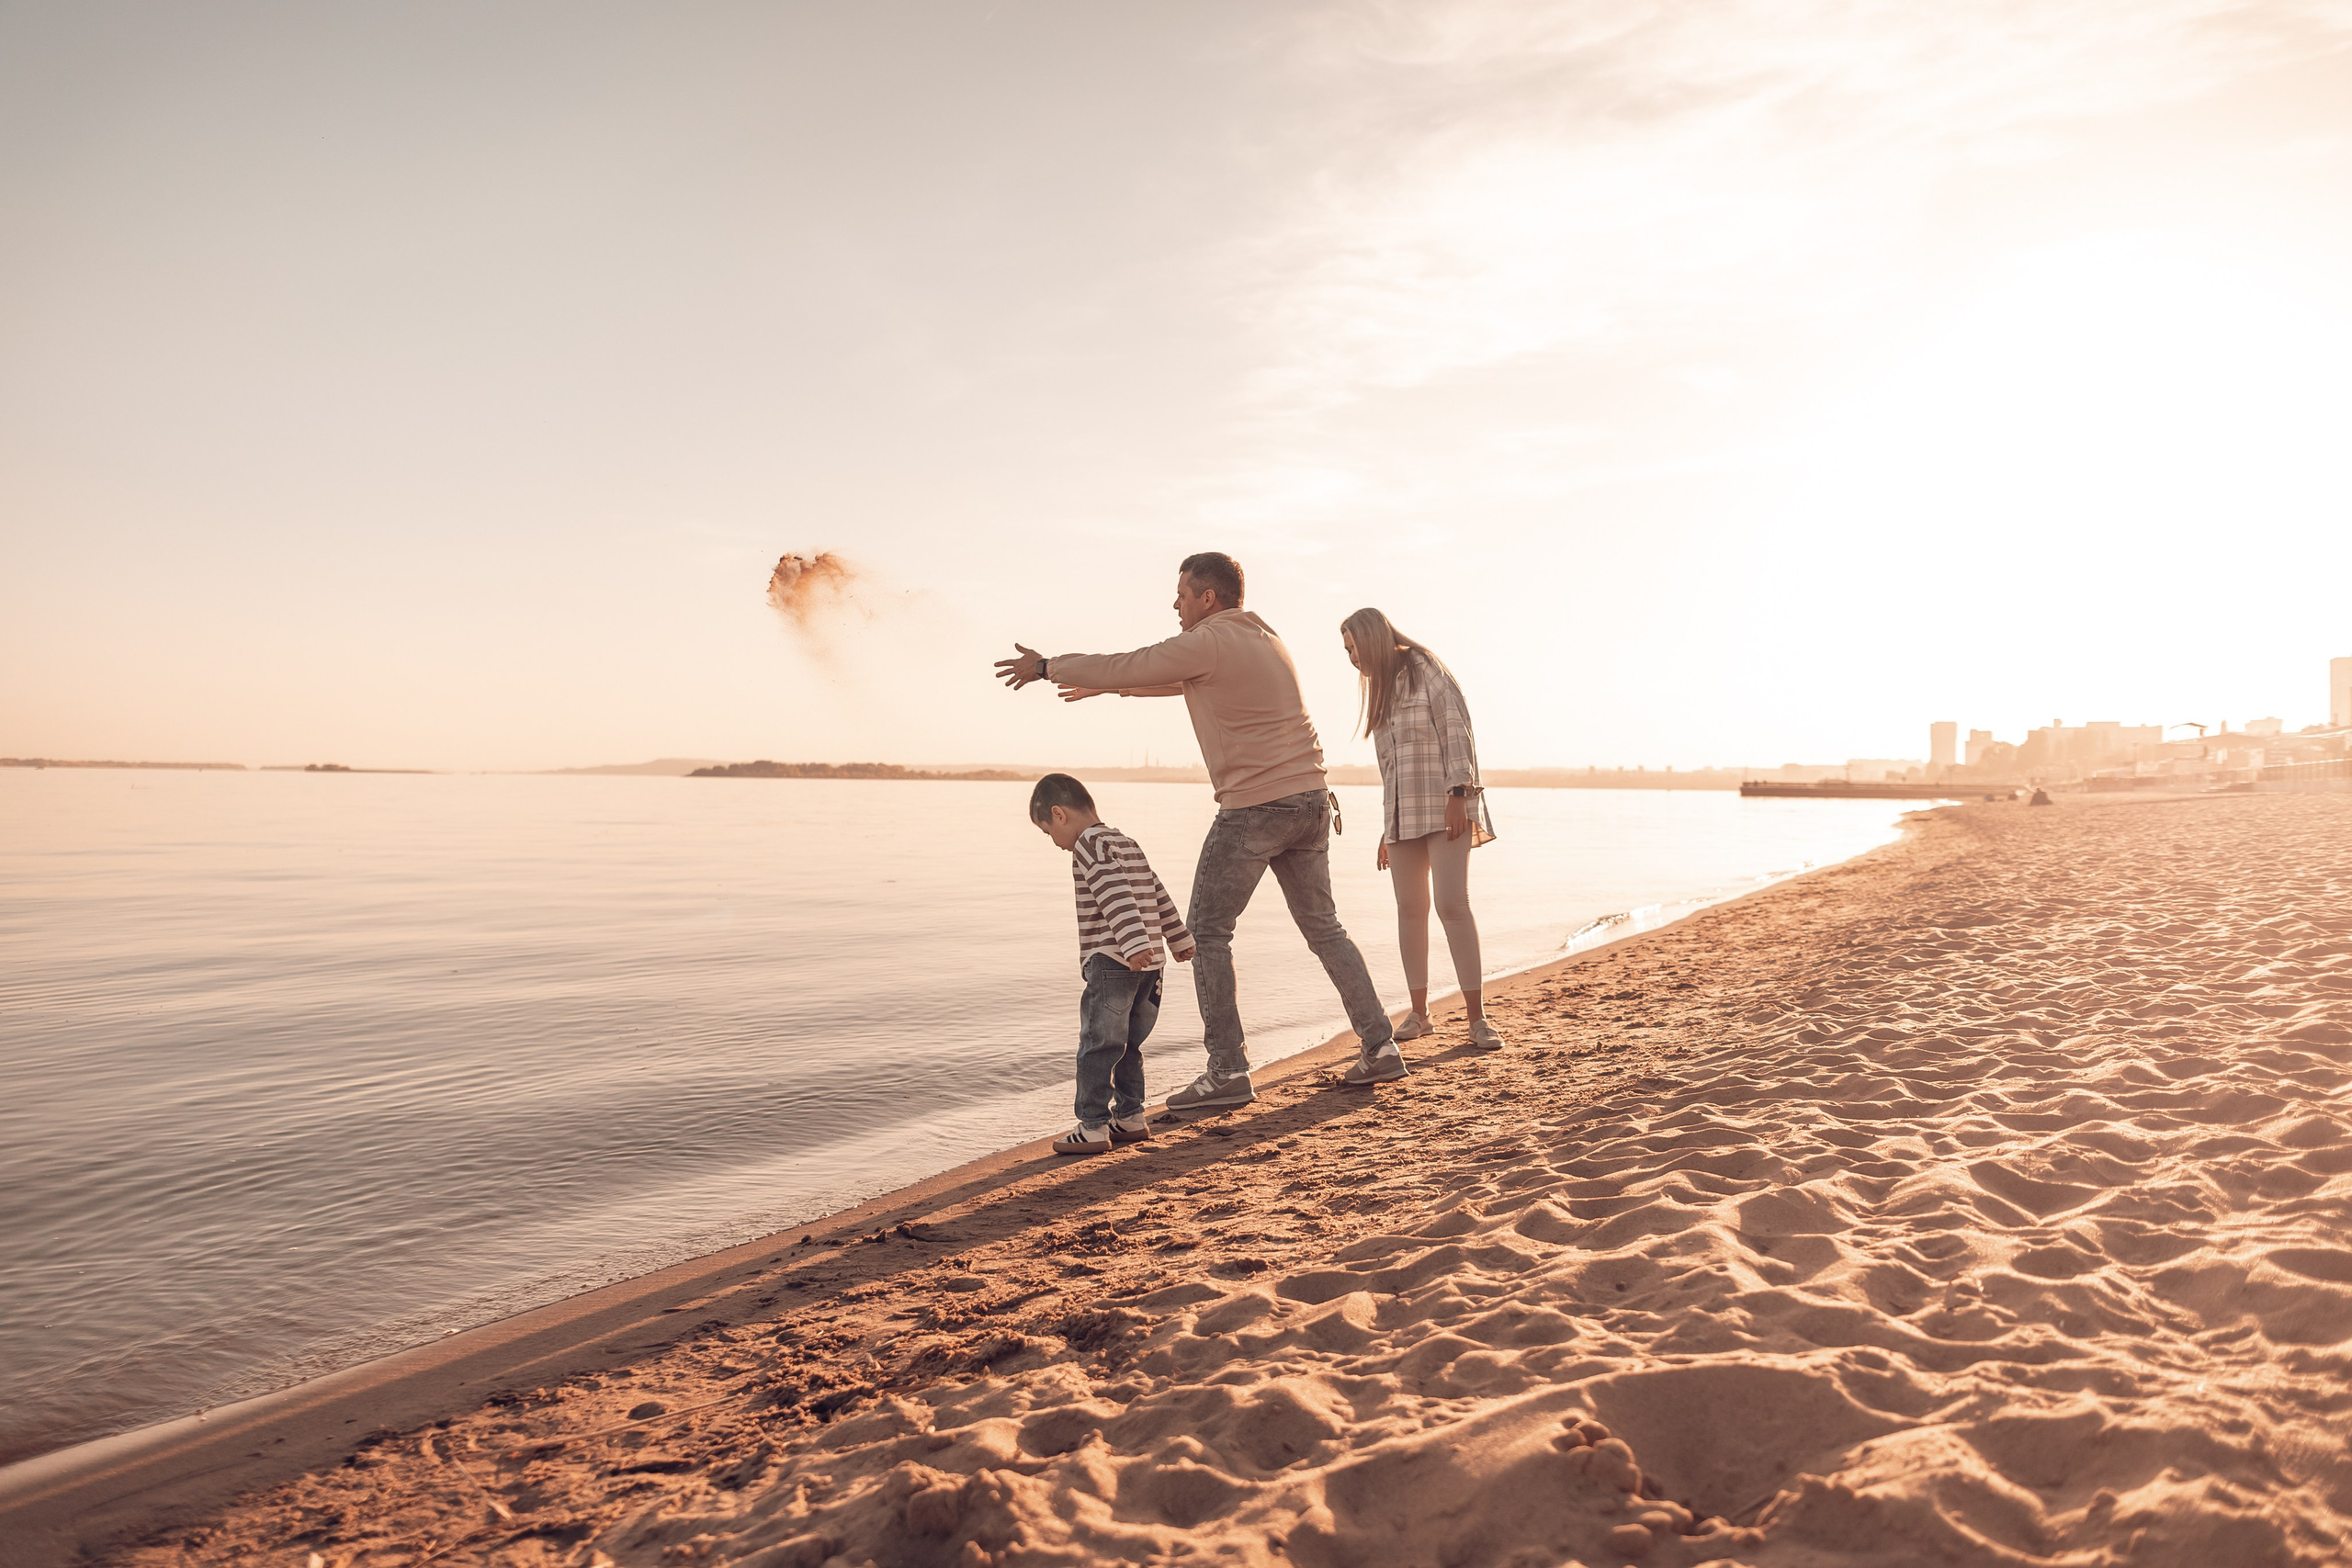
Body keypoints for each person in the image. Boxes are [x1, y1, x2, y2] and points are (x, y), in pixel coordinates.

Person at [996, 551, 1407, 1100]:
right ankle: (1380, 1046)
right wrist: (1113, 687)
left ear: (1207, 597)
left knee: (1205, 932)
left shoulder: (1209, 639)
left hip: (1256, 807)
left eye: (1183, 593)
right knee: (1324, 928)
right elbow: (1171, 679)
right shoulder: (1261, 637)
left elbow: (1139, 661)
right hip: (1310, 801)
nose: (1176, 603)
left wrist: (1050, 667)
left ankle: (1228, 1071)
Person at [1341, 608, 1505, 1051]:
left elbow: (1456, 730)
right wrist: (1385, 828)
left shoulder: (1424, 666)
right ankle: (1420, 1014)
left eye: (1354, 648)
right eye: (1347, 652)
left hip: (1443, 804)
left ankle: (1478, 1019)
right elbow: (1389, 766)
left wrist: (1459, 794)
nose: (1352, 658)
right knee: (1409, 910)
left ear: (1373, 639)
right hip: (1402, 815)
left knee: (1453, 905)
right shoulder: (1379, 691)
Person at [1028, 773, 1194, 1156]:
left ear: (1059, 814)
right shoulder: (1125, 841)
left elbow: (1114, 894)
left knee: (1098, 1044)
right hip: (1150, 964)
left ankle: (1092, 1126)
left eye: (1047, 831)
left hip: (1115, 959)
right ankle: (1131, 1116)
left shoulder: (1089, 844)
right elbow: (1155, 890)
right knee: (1130, 1044)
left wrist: (1132, 943)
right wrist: (1178, 937)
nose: (1054, 843)